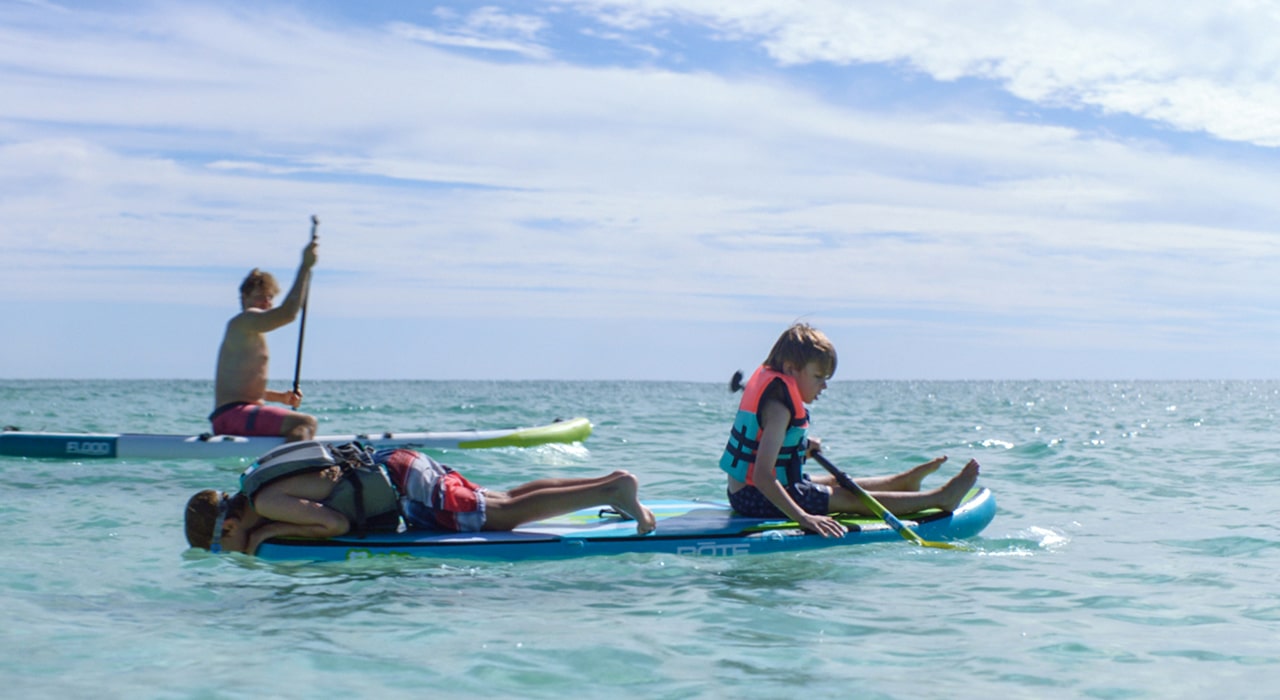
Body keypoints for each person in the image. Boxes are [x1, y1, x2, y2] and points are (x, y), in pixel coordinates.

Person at [720, 322, 981, 538]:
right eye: (818, 377)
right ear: (790, 369)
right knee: (845, 498)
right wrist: (804, 518)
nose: (823, 386)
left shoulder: (777, 401)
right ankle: (939, 499)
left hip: (750, 492)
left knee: (831, 482)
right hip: (754, 497)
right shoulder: (779, 409)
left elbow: (768, 450)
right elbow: (765, 476)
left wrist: (802, 446)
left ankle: (901, 483)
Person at [185, 442, 657, 555]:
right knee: (501, 499)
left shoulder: (264, 506)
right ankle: (610, 480)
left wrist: (268, 531)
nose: (231, 549)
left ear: (228, 525)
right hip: (395, 466)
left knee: (499, 518)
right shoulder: (257, 484)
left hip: (397, 481)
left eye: (221, 545)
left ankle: (614, 489)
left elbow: (336, 526)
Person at [209, 235, 319, 442]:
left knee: (299, 423)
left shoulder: (249, 332)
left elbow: (244, 388)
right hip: (234, 416)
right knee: (306, 423)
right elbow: (288, 314)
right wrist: (304, 267)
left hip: (234, 415)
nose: (266, 302)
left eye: (270, 297)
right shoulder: (243, 321)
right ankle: (290, 472)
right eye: (260, 296)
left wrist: (281, 398)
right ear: (245, 298)